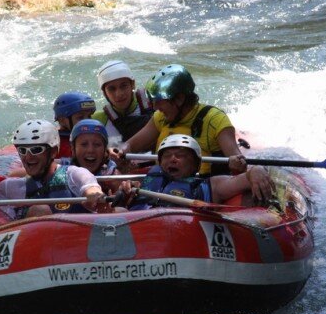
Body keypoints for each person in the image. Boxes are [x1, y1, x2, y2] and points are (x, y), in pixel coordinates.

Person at [110, 63, 273, 199]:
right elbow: (130, 145)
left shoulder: (214, 120)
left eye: (159, 101)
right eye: (153, 101)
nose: (155, 107)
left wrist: (243, 167)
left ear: (179, 99)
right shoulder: (161, 117)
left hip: (201, 189)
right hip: (163, 184)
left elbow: (238, 164)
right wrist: (120, 151)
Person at [0, 119, 106, 221]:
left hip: (78, 244)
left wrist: (94, 195)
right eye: (22, 151)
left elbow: (90, 187)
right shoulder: (13, 186)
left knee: (117, 210)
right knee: (39, 210)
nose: (28, 158)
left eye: (36, 150)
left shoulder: (74, 173)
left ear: (53, 152)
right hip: (36, 254)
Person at [129, 135, 260, 209]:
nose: (173, 159)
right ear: (160, 162)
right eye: (167, 155)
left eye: (181, 155)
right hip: (136, 231)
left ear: (196, 165)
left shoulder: (209, 186)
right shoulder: (146, 182)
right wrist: (125, 194)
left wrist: (256, 171)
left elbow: (242, 180)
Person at [92, 60, 154, 143]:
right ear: (104, 93)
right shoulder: (98, 120)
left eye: (123, 86)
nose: (119, 94)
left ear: (133, 84)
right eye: (112, 89)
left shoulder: (155, 104)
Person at [53, 91, 97, 158]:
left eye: (89, 116)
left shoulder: (96, 136)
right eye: (80, 117)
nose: (87, 121)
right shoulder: (55, 145)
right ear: (62, 120)